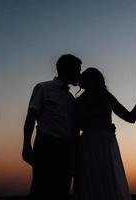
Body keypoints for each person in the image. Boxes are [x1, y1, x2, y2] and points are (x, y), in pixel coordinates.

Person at [74, 67, 136, 200]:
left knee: (103, 180)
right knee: (96, 180)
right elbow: (76, 125)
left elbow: (130, 117)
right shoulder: (80, 101)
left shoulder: (103, 97)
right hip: (93, 144)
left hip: (102, 143)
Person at [22, 54, 82, 199]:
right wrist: (26, 145)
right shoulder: (43, 88)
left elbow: (74, 129)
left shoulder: (70, 99)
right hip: (46, 147)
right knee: (40, 190)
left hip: (65, 151)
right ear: (67, 69)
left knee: (62, 191)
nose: (79, 74)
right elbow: (31, 117)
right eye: (78, 70)